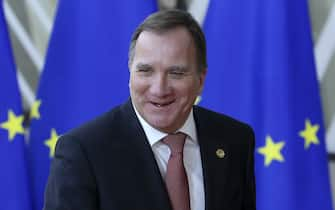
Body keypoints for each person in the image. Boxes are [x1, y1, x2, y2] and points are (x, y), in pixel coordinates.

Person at [43, 9, 256, 210]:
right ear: (130, 74)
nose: (159, 89)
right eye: (145, 71)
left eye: (176, 73)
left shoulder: (235, 140)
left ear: (201, 80)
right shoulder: (83, 152)